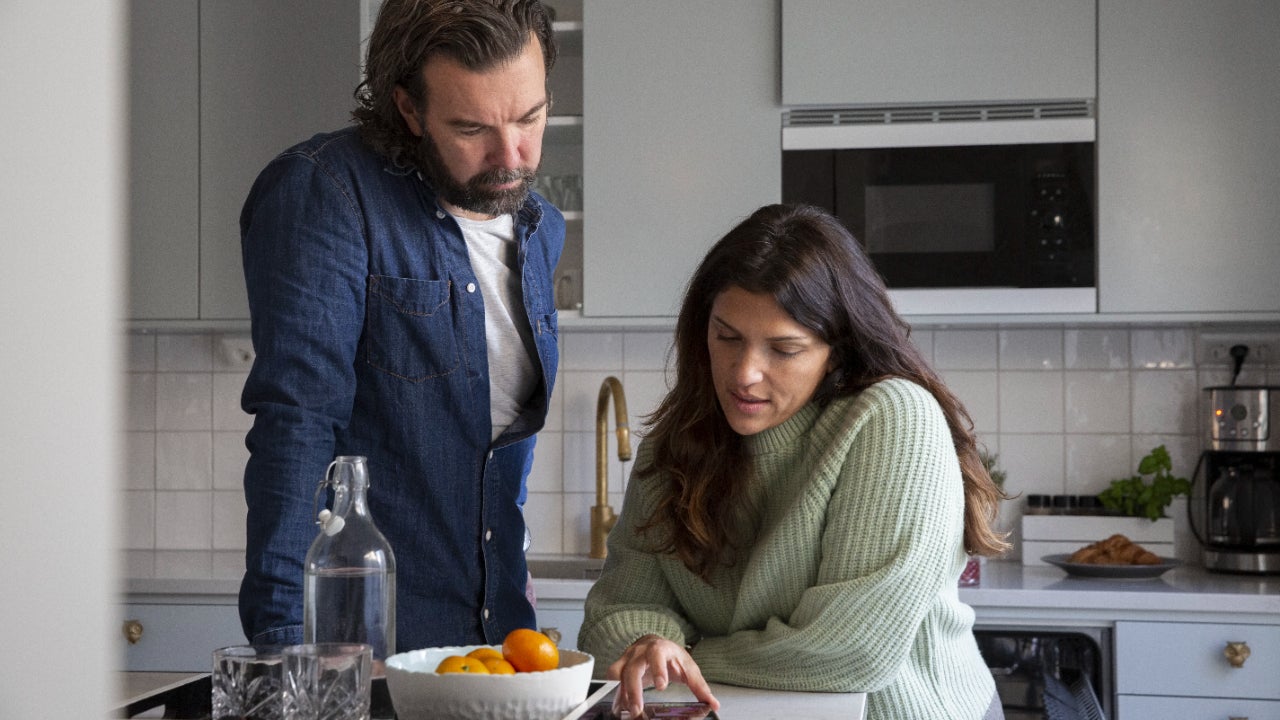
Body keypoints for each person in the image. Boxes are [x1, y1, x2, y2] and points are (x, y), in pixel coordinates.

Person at [578, 203, 1010, 720]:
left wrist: (689, 656)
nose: (744, 374)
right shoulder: (676, 443)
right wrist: (651, 642)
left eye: (783, 349)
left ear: (838, 349)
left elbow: (851, 651)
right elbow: (614, 613)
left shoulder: (891, 417)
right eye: (727, 337)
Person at [237, 0, 563, 653]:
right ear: (409, 109)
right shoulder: (328, 194)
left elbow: (502, 455)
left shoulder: (540, 228)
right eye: (472, 128)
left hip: (499, 643)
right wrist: (287, 650)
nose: (512, 156)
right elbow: (296, 425)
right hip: (370, 648)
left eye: (529, 117)